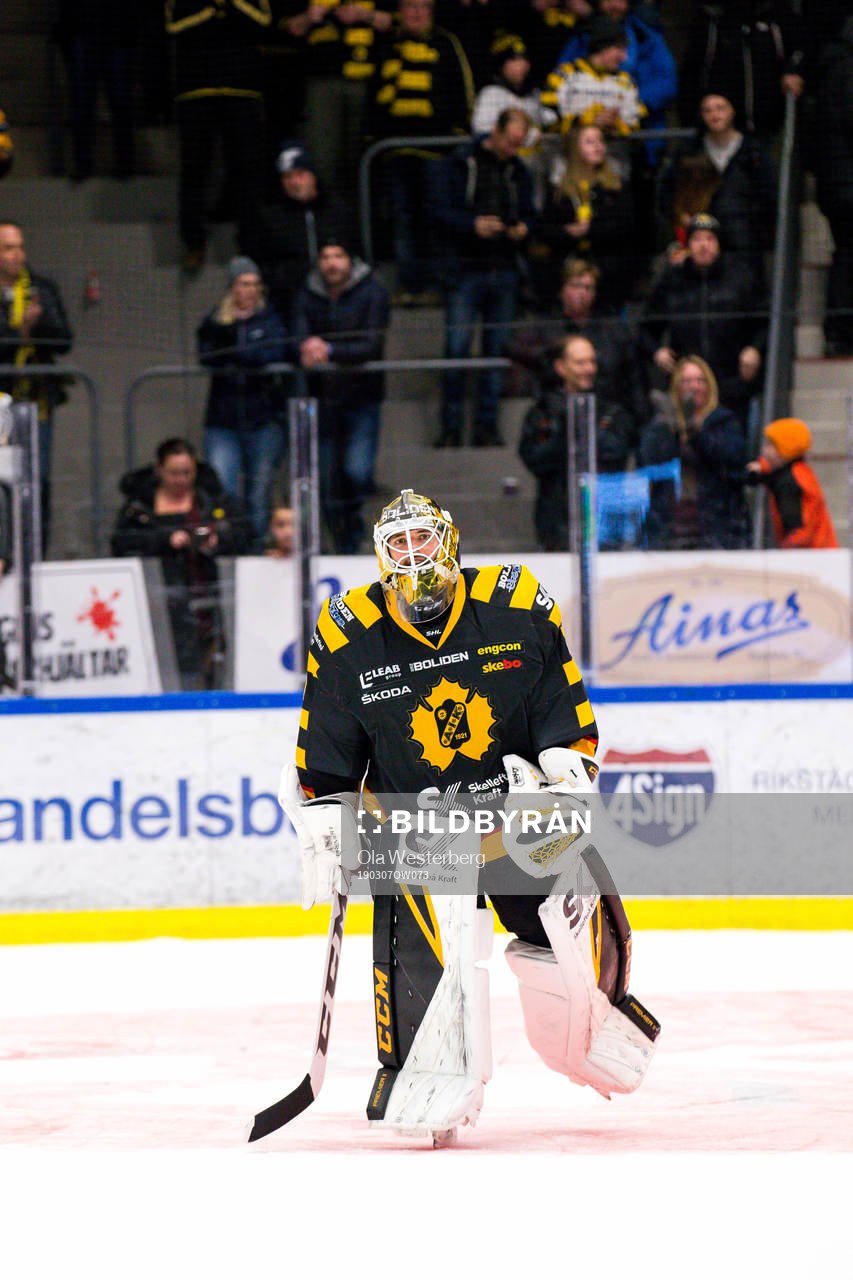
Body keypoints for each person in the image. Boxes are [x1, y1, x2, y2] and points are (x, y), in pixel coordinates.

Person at [281, 486, 659, 1137]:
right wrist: (325, 813)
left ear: (448, 540)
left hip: (515, 820)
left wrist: (567, 762)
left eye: (420, 539)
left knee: (567, 946)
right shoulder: (347, 634)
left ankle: (600, 1019)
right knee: (430, 952)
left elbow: (560, 704)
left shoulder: (512, 606)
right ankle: (427, 1076)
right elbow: (326, 747)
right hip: (418, 831)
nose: (410, 555)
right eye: (396, 544)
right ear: (378, 555)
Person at [431, 107, 536, 447]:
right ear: (495, 130)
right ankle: (450, 426)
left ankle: (486, 426)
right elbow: (438, 211)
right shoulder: (461, 163)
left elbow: (531, 214)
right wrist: (472, 225)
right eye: (510, 141)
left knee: (497, 354)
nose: (513, 149)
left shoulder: (519, 171)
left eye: (519, 144)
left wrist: (523, 228)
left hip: (503, 267)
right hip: (465, 268)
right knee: (457, 350)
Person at [111, 438, 251, 689]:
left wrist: (217, 540)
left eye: (187, 472)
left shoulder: (212, 502)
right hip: (156, 601)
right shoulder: (138, 507)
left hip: (208, 598)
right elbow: (121, 543)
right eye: (173, 473)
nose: (181, 479)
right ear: (159, 470)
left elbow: (246, 533)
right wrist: (165, 540)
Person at [368, 0, 474, 302]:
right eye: (409, 6)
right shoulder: (388, 45)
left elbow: (463, 88)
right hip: (396, 150)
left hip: (436, 150)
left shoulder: (445, 43)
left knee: (435, 219)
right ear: (399, 11)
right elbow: (375, 93)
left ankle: (439, 285)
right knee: (403, 220)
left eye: (423, 6)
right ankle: (410, 285)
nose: (416, 13)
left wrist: (456, 132)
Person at [292, 236, 390, 553]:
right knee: (325, 480)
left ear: (352, 260)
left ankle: (357, 525)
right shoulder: (307, 294)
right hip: (322, 400)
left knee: (356, 471)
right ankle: (342, 544)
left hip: (362, 397)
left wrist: (328, 349)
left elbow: (371, 345)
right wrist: (306, 347)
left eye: (338, 255)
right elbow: (299, 337)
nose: (331, 263)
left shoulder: (373, 292)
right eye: (325, 256)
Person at [165, 0, 271, 272]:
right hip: (196, 90)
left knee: (247, 170)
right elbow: (175, 26)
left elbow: (262, 22)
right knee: (195, 169)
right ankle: (194, 243)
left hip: (243, 89)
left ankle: (250, 246)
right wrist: (213, 11)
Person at [640, 213, 766, 429]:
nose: (703, 245)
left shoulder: (741, 277)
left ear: (718, 244)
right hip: (687, 389)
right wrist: (657, 352)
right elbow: (646, 328)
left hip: (732, 385)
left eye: (710, 239)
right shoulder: (672, 280)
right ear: (688, 245)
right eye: (697, 239)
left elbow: (763, 321)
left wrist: (755, 349)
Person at [197, 257, 289, 549]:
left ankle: (256, 546)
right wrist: (240, 349)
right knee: (223, 487)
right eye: (243, 284)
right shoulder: (216, 320)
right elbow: (208, 355)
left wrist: (235, 351)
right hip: (223, 418)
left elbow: (272, 353)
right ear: (232, 287)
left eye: (254, 284)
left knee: (258, 490)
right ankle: (228, 545)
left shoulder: (271, 319)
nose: (249, 290)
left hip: (262, 418)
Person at [509, 258, 648, 434]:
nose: (582, 293)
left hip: (607, 415)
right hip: (558, 415)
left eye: (588, 287)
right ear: (562, 289)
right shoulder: (546, 326)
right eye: (575, 286)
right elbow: (514, 348)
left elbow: (632, 376)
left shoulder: (612, 328)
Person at [518, 331, 631, 548]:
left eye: (592, 362)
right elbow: (534, 460)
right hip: (556, 523)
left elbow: (618, 453)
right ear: (561, 367)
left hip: (603, 520)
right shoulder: (542, 412)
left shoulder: (612, 410)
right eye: (580, 363)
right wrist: (564, 432)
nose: (589, 369)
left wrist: (583, 424)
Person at [0, 221, 73, 554]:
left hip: (36, 402)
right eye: (8, 248)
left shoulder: (41, 289)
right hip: (1, 402)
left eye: (20, 247)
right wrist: (21, 332)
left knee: (37, 483)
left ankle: (35, 555)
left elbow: (64, 339)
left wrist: (39, 322)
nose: (18, 255)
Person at [658, 90, 776, 283]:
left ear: (733, 111)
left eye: (720, 108)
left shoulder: (753, 152)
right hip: (699, 236)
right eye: (707, 110)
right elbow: (668, 193)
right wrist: (680, 215)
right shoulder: (689, 150)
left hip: (743, 240)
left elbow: (769, 196)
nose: (714, 115)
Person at [638, 355, 750, 550]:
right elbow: (648, 459)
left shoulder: (724, 421)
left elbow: (733, 458)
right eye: (687, 381)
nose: (694, 386)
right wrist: (669, 429)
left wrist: (696, 434)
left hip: (717, 524)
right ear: (676, 387)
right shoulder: (663, 424)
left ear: (709, 386)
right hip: (670, 526)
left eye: (700, 380)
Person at [551, 0, 677, 166]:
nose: (614, 5)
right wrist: (592, 114)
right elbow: (557, 96)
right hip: (579, 150)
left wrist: (623, 105)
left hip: (640, 140)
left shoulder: (646, 36)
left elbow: (667, 84)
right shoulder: (581, 40)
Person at [293, 0, 392, 200]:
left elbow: (395, 20)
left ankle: (363, 216)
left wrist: (365, 15)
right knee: (322, 156)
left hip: (367, 81)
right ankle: (325, 215)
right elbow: (289, 27)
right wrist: (308, 17)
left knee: (362, 154)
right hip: (322, 80)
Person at [533, 121, 636, 310]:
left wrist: (592, 229)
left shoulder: (616, 187)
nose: (598, 146)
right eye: (590, 142)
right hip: (566, 269)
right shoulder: (560, 190)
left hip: (607, 272)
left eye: (600, 141)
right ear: (575, 148)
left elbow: (627, 226)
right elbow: (544, 229)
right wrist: (568, 232)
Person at [250, 142, 353, 324]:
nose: (295, 182)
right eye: (287, 177)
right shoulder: (270, 219)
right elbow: (263, 264)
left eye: (300, 174)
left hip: (338, 301)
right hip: (290, 306)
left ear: (313, 176)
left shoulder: (337, 210)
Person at [678, 0, 806, 141]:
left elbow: (801, 49)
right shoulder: (710, 20)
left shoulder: (778, 16)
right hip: (720, 132)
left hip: (772, 125)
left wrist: (794, 70)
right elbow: (691, 74)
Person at [540, 14, 644, 177]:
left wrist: (616, 125)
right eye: (620, 49)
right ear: (603, 47)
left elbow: (638, 128)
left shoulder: (626, 82)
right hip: (566, 173)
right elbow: (547, 121)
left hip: (614, 174)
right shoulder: (563, 76)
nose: (624, 57)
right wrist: (583, 121)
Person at [55, 1, 138, 181]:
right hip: (93, 29)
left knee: (115, 100)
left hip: (111, 31)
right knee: (86, 101)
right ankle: (91, 163)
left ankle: (119, 163)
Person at [815, 18, 853, 357]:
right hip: (847, 183)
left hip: (833, 183)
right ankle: (841, 329)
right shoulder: (847, 71)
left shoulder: (829, 70)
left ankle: (839, 330)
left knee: (845, 254)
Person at [746, 417, 838, 549]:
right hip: (822, 551)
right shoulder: (799, 472)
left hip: (812, 557)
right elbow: (769, 473)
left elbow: (799, 534)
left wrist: (785, 555)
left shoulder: (788, 483)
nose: (764, 450)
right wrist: (761, 468)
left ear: (784, 449)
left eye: (770, 445)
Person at [471, 31, 544, 152]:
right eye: (514, 60)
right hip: (504, 162)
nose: (522, 65)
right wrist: (524, 134)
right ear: (501, 65)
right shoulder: (491, 93)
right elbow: (482, 131)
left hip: (533, 164)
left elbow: (543, 120)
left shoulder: (533, 93)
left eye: (525, 59)